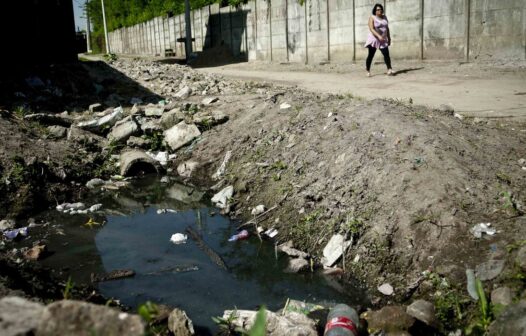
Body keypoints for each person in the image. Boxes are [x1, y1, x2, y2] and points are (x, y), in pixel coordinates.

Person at [364, 3, 394, 77]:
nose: (379, 11)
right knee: (371, 55)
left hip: (383, 39)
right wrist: (378, 36)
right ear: (375, 11)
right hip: (374, 38)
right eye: (377, 9)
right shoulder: (372, 17)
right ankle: (367, 70)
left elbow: (387, 28)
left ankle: (389, 69)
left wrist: (389, 38)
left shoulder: (384, 17)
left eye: (380, 9)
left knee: (386, 54)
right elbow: (371, 28)